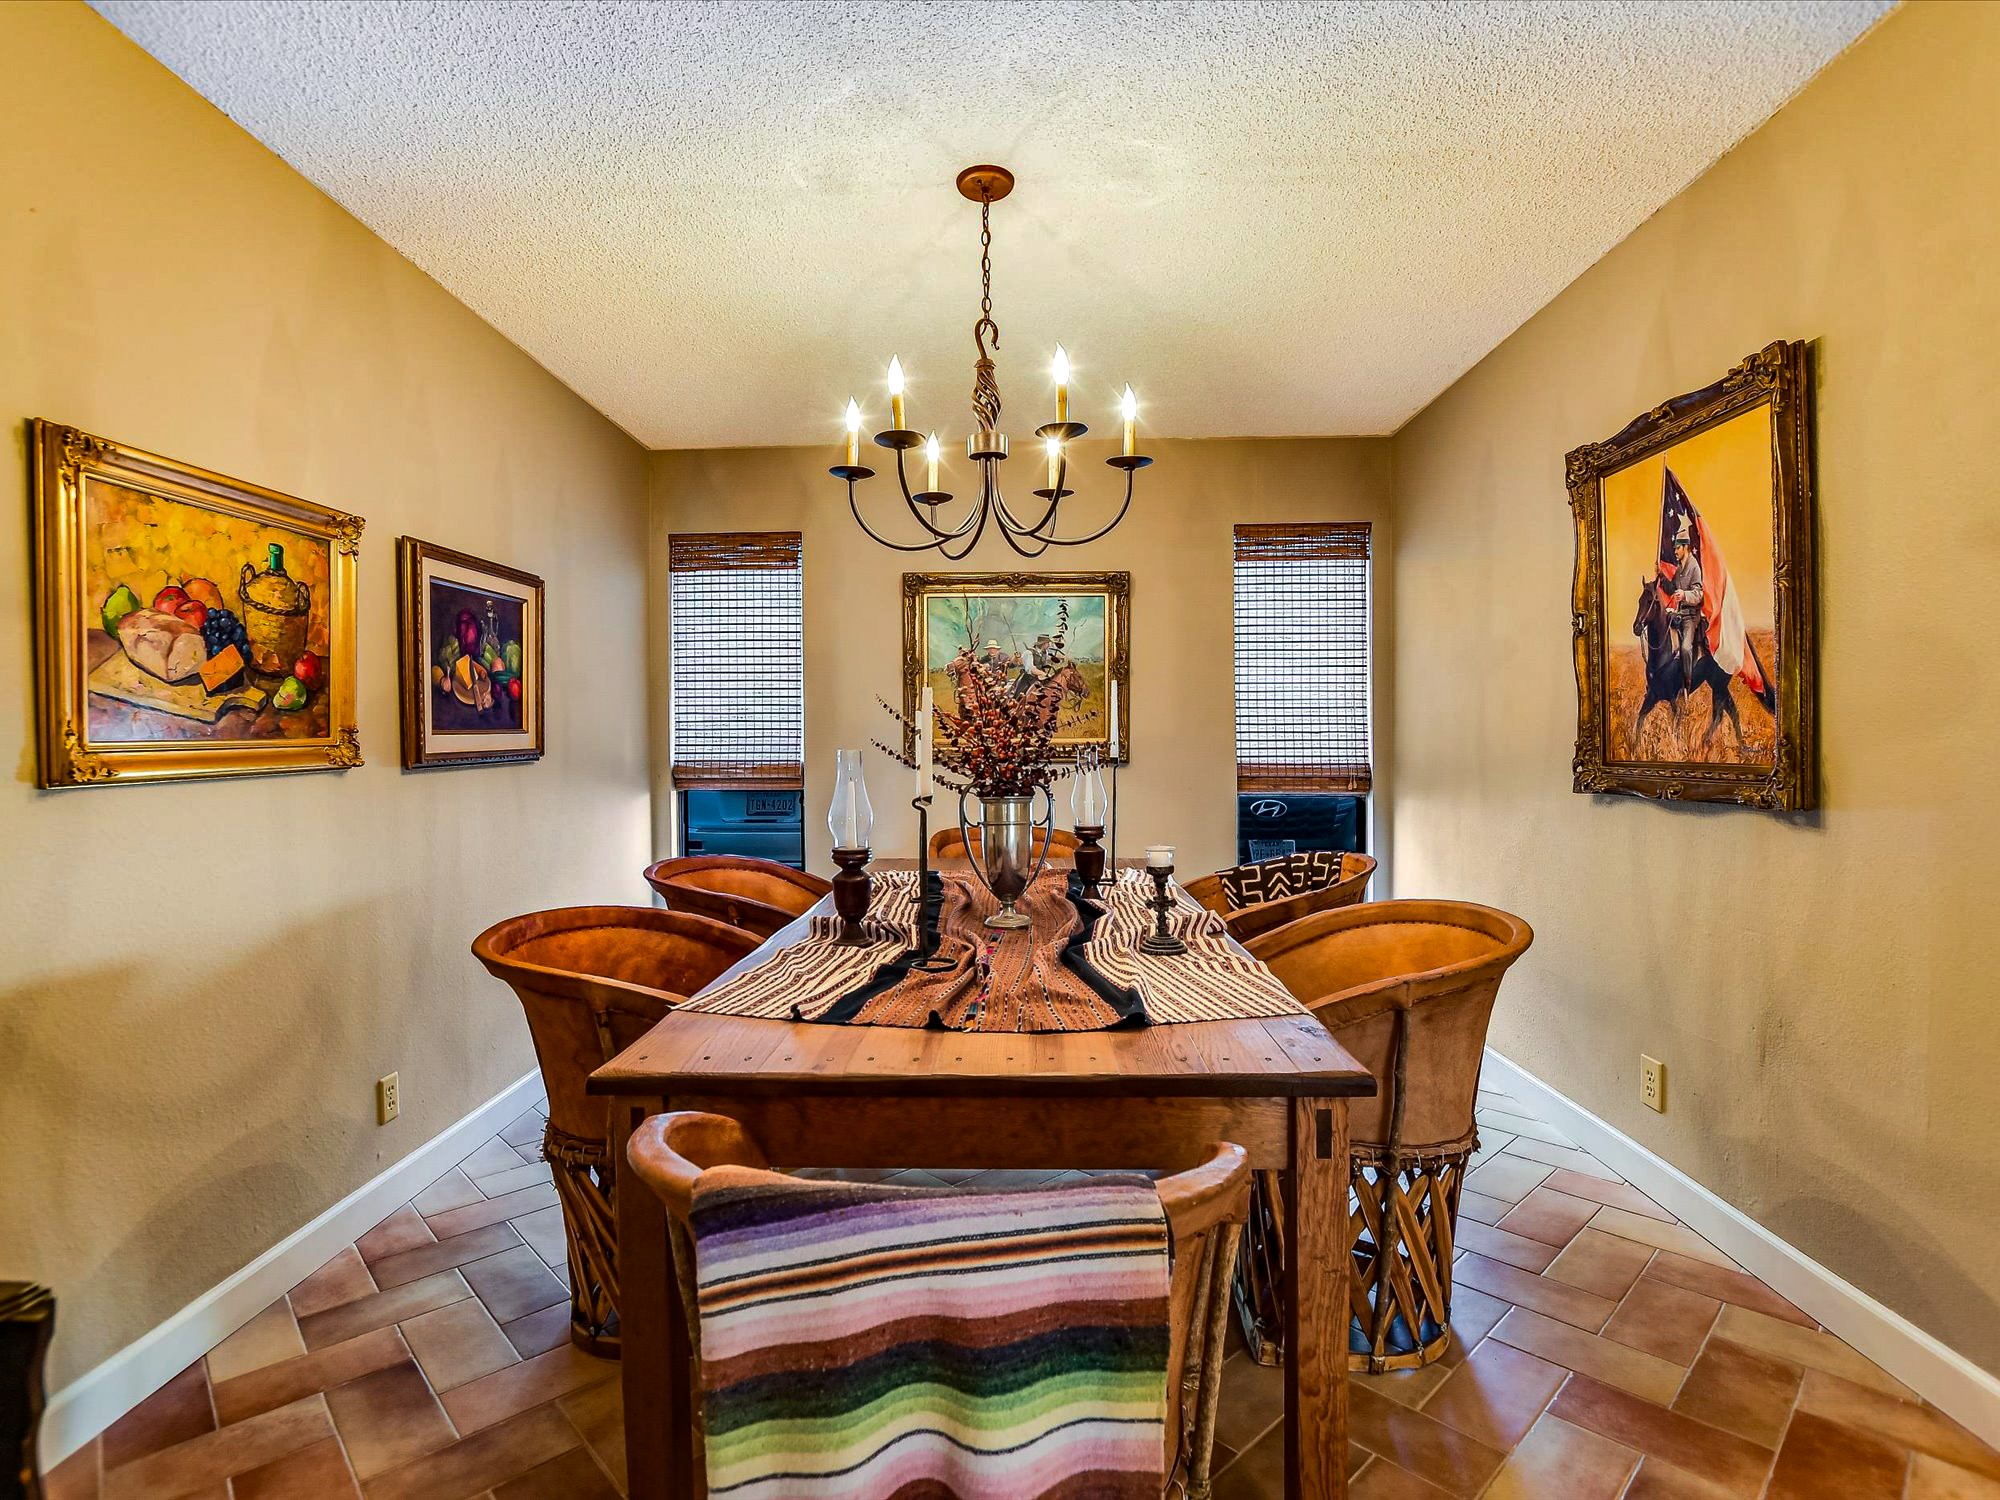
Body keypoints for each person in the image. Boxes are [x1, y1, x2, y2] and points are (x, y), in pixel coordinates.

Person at [1667, 518, 1705, 689]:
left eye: (1677, 548)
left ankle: (1687, 681)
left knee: (1685, 649)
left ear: (1685, 548)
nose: (1675, 551)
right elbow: (1671, 587)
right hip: (1679, 614)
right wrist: (1660, 575)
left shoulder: (1694, 567)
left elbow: (1698, 594)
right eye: (1675, 548)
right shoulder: (1679, 568)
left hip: (1691, 616)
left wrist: (1684, 595)